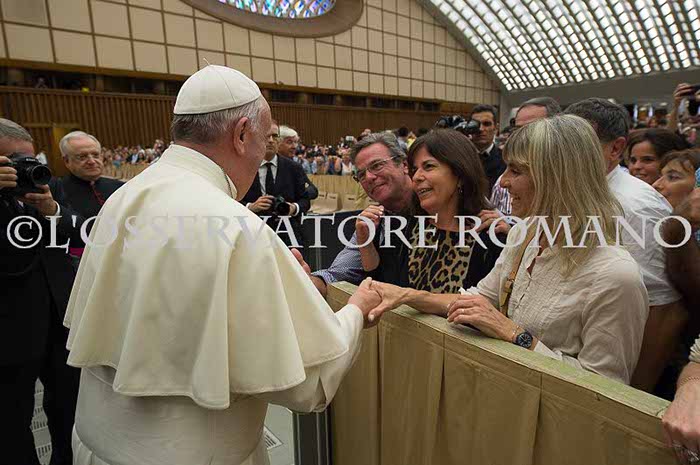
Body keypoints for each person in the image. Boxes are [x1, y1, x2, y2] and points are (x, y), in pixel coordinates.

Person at [63, 65, 383, 465]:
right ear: (242, 134)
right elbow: (309, 385)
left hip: (94, 446)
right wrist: (356, 310)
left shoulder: (124, 197)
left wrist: (278, 280)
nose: (262, 154)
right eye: (264, 140)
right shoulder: (237, 225)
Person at [370, 115, 649, 385]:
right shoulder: (524, 234)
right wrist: (408, 296)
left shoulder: (615, 275)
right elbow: (479, 298)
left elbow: (605, 390)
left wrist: (513, 333)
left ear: (556, 177)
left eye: (515, 171)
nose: (502, 182)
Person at [567, 98, 688, 396]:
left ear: (615, 148)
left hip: (616, 374)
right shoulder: (574, 192)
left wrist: (634, 392)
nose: (565, 152)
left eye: (579, 143)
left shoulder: (636, 206)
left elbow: (663, 307)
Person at [0, 119, 85, 465]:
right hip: (10, 329)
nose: (24, 168)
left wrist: (52, 210)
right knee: (11, 423)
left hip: (58, 319)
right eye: (13, 162)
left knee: (70, 411)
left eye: (29, 159)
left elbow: (77, 233)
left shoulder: (47, 186)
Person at [357, 129, 503, 293]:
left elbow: (484, 302)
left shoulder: (490, 236)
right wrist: (365, 240)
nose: (416, 177)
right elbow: (379, 283)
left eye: (428, 166)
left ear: (460, 173)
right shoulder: (404, 226)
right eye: (415, 169)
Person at [307, 132, 414, 298]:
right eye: (361, 174)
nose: (369, 177)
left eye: (377, 165)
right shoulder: (373, 222)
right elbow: (336, 274)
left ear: (404, 165)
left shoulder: (437, 209)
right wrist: (306, 283)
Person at [49, 131, 124, 257]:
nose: (92, 161)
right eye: (82, 157)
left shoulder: (120, 187)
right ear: (66, 161)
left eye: (96, 155)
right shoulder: (57, 191)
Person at [241, 120, 311, 247]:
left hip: (288, 236)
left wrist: (293, 208)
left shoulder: (294, 168)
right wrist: (251, 206)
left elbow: (305, 200)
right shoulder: (244, 167)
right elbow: (231, 199)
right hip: (253, 233)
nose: (271, 140)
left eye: (275, 136)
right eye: (266, 136)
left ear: (279, 140)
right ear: (256, 138)